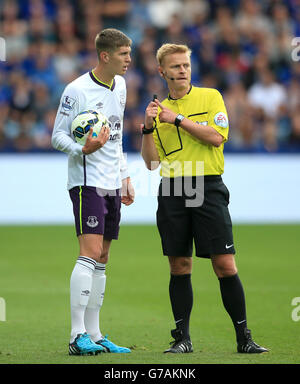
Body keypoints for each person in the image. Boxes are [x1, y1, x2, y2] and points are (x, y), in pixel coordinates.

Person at [141, 43, 268, 354]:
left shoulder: (211, 97)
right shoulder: (157, 112)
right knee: (179, 265)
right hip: (172, 188)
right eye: (175, 67)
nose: (182, 70)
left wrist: (178, 120)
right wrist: (146, 128)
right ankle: (182, 339)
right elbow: (151, 163)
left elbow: (216, 137)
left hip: (207, 185)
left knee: (224, 264)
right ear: (162, 72)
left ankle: (244, 339)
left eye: (185, 65)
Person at [52, 28, 135, 356]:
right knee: (89, 252)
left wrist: (125, 176)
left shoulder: (122, 86)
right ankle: (76, 336)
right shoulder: (77, 90)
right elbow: (57, 136)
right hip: (87, 182)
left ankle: (96, 334)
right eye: (124, 54)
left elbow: (116, 136)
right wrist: (82, 149)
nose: (129, 60)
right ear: (105, 55)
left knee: (102, 257)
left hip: (113, 182)